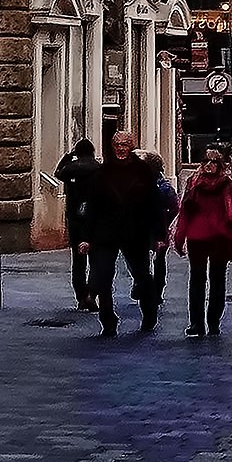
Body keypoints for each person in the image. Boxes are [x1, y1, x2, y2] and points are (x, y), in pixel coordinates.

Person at [76, 129, 162, 336]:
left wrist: (159, 235)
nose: (120, 149)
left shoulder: (143, 171)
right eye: (117, 145)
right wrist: (85, 238)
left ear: (131, 146)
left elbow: (154, 204)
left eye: (124, 145)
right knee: (104, 277)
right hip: (106, 232)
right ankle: (108, 320)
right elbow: (92, 207)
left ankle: (149, 312)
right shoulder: (102, 172)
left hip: (135, 231)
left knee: (142, 275)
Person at [172, 148, 232, 338]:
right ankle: (196, 322)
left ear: (220, 165)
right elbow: (185, 211)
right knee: (198, 279)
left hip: (219, 238)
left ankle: (213, 321)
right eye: (205, 161)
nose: (209, 165)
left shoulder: (227, 185)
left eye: (213, 162)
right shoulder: (194, 183)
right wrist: (179, 237)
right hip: (198, 236)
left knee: (217, 280)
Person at [56, 137, 100, 310]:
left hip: (75, 218)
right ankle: (92, 293)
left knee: (78, 260)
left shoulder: (71, 169)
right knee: (96, 259)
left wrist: (68, 157)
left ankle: (81, 296)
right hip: (94, 217)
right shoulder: (98, 168)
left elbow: (57, 173)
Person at [140, 152, 179, 313]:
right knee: (157, 259)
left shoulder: (156, 186)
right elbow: (175, 207)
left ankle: (149, 287)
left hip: (152, 227)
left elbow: (174, 207)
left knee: (150, 259)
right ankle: (155, 289)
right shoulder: (164, 186)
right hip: (157, 227)